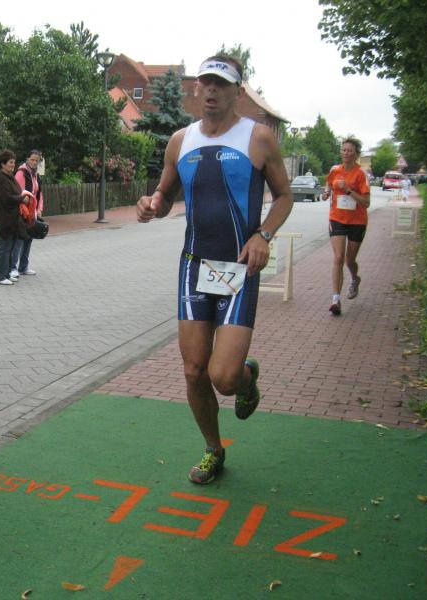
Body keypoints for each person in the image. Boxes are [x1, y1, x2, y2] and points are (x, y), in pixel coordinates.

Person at [136, 55, 293, 485]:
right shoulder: (179, 141)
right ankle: (213, 449)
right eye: (205, 82)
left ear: (237, 93)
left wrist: (263, 235)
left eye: (220, 84)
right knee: (193, 370)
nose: (210, 90)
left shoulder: (258, 137)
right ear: (196, 88)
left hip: (238, 267)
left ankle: (246, 378)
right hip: (194, 266)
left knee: (223, 377)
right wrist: (151, 205)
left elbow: (284, 196)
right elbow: (164, 196)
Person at [321, 137, 370, 316]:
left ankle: (355, 279)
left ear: (356, 154)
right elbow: (328, 183)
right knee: (338, 257)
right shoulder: (335, 170)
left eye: (350, 150)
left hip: (357, 221)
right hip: (337, 218)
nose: (346, 153)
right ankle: (336, 300)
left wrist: (349, 190)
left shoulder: (361, 174)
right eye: (344, 150)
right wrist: (327, 192)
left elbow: (366, 202)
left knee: (349, 260)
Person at [0, 149, 32, 285]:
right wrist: (22, 198)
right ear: (3, 164)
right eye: (10, 162)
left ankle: (7, 273)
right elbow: (7, 198)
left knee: (11, 247)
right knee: (4, 247)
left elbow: (17, 192)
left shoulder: (10, 177)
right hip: (5, 218)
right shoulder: (0, 178)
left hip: (14, 218)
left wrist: (23, 196)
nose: (12, 165)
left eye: (14, 162)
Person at [10, 150, 43, 278]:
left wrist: (39, 209)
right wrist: (24, 209)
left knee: (29, 238)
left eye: (36, 160)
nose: (34, 162)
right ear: (27, 159)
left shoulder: (35, 175)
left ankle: (23, 267)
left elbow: (39, 193)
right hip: (22, 211)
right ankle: (13, 268)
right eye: (32, 159)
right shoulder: (21, 173)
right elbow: (18, 192)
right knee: (19, 239)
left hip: (32, 212)